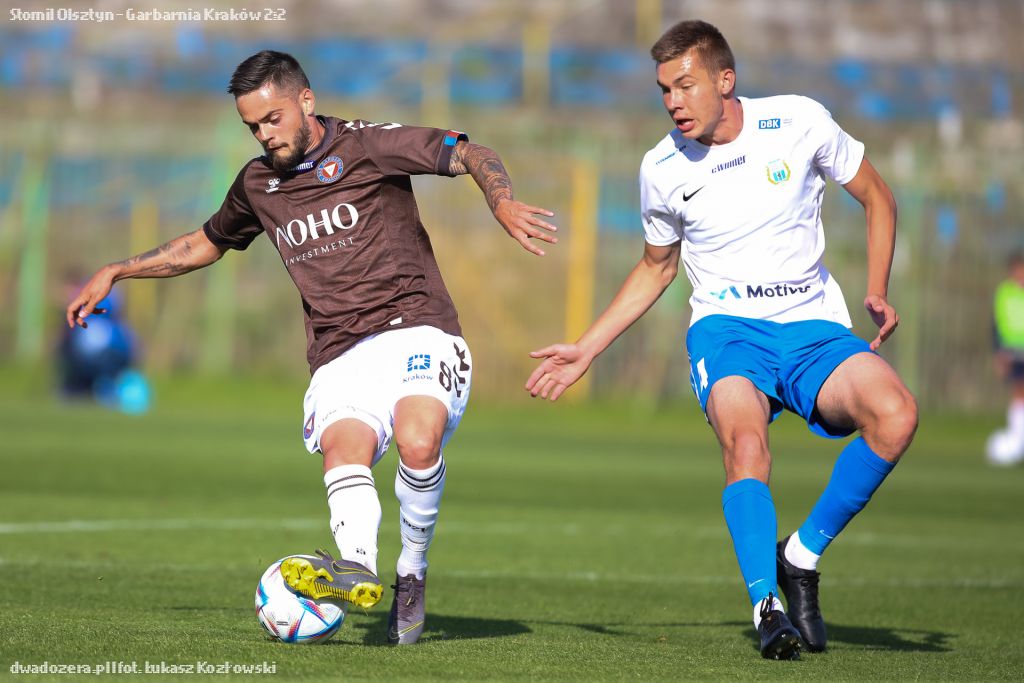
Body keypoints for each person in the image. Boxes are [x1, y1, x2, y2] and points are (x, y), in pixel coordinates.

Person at [67, 50, 557, 645]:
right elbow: (206, 242)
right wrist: (117, 270)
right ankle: (356, 569)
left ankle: (411, 572)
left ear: (305, 100)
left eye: (272, 119)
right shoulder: (257, 184)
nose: (264, 135)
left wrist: (500, 200)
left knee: (417, 439)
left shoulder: (369, 145)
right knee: (343, 449)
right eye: (252, 126)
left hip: (416, 326)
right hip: (339, 350)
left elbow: (469, 152)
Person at [526, 20, 917, 660]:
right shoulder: (660, 167)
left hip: (813, 327)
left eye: (685, 85)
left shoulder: (799, 121)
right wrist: (587, 348)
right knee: (746, 445)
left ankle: (800, 555)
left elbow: (878, 197)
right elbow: (655, 267)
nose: (673, 102)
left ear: (725, 80)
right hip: (727, 332)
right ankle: (767, 606)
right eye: (664, 90)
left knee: (896, 415)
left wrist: (876, 289)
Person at [986, 250, 1024, 466]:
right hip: (1012, 351)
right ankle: (1017, 440)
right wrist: (999, 352)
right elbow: (997, 324)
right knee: (1019, 391)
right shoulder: (1005, 292)